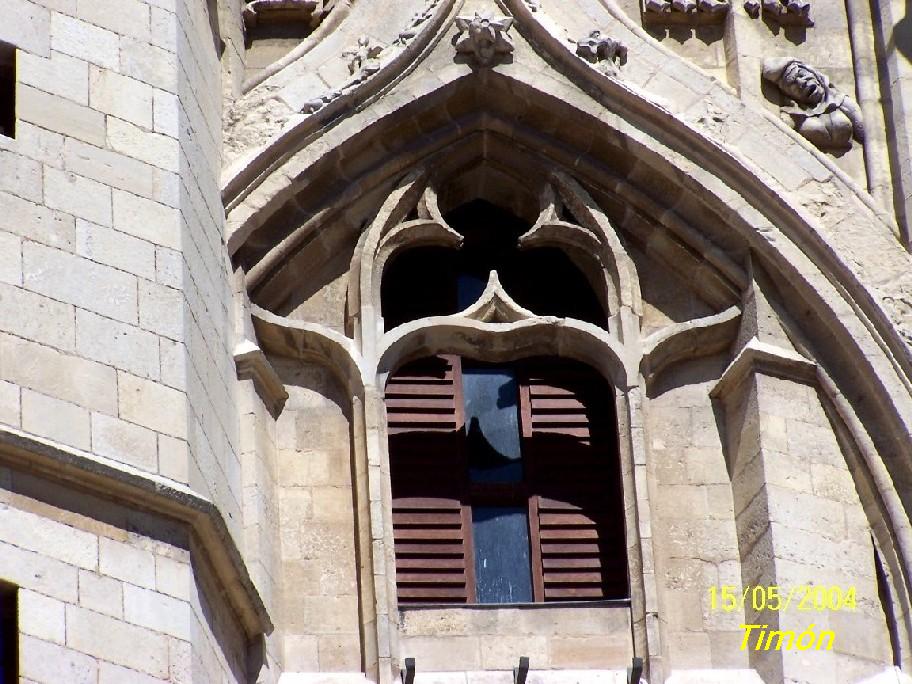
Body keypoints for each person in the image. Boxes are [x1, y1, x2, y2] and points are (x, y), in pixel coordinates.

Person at [762, 57, 864, 150]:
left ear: (812, 72)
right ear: (789, 94)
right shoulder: (794, 118)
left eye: (801, 74)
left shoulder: (841, 101)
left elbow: (867, 135)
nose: (802, 83)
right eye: (792, 84)